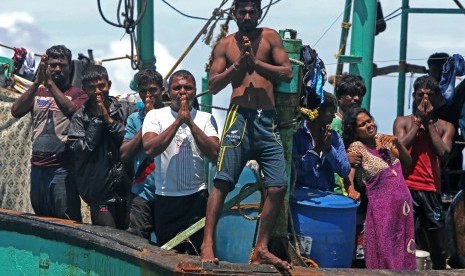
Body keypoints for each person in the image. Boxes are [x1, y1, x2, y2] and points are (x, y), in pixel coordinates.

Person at [201, 0, 293, 269]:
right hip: (238, 119)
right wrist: (239, 65)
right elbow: (214, 85)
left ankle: (261, 247)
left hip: (267, 121)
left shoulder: (270, 37)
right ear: (234, 13)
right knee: (222, 182)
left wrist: (256, 64)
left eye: (253, 11)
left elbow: (287, 73)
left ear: (260, 12)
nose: (248, 16)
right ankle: (208, 242)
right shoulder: (225, 44)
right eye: (242, 11)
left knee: (278, 186)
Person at [142, 69, 219, 254]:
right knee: (168, 255)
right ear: (168, 92)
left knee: (196, 255)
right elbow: (150, 149)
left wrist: (190, 123)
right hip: (166, 199)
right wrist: (178, 122)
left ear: (194, 91)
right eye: (177, 88)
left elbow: (215, 153)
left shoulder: (206, 118)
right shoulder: (155, 116)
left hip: (197, 199)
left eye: (188, 87)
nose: (182, 92)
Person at [10, 45, 87, 221]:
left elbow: (72, 111)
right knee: (41, 221)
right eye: (53, 65)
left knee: (67, 221)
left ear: (70, 67)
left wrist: (50, 83)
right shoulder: (38, 91)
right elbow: (16, 111)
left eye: (62, 65)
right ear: (46, 67)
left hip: (62, 170)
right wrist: (37, 82)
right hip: (37, 168)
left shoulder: (78, 94)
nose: (57, 69)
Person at [393, 75, 455, 269]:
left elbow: (444, 152)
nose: (425, 100)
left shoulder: (445, 126)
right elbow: (399, 146)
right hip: (406, 187)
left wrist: (429, 124)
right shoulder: (403, 122)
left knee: (437, 245)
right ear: (414, 96)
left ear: (436, 97)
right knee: (403, 238)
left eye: (429, 95)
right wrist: (418, 122)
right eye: (420, 95)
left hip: (431, 189)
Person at [343, 107, 416, 269]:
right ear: (355, 131)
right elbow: (350, 171)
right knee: (385, 249)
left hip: (402, 206)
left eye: (369, 121)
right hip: (382, 208)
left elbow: (407, 162)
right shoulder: (357, 146)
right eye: (362, 124)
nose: (369, 125)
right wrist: (351, 189)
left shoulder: (384, 140)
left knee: (403, 247)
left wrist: (397, 142)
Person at [68, 64, 132, 229]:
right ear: (84, 90)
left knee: (131, 239)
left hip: (126, 190)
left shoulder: (124, 110)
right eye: (92, 88)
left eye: (101, 86)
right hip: (99, 195)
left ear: (109, 84)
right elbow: (81, 151)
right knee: (109, 238)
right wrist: (97, 120)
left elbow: (130, 141)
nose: (97, 91)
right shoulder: (80, 117)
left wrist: (109, 121)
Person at [120, 69, 164, 240]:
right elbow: (124, 154)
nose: (148, 95)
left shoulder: (172, 116)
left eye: (153, 90)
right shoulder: (134, 119)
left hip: (167, 193)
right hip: (142, 192)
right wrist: (146, 123)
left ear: (162, 90)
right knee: (137, 241)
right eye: (143, 91)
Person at [293, 92, 350, 192]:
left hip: (326, 200)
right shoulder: (296, 135)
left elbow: (345, 170)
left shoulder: (334, 137)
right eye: (331, 112)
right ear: (318, 111)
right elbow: (295, 170)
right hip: (301, 200)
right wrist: (317, 150)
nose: (333, 116)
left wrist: (329, 149)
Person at [331, 73, 366, 196]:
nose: (356, 98)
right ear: (339, 98)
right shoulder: (334, 123)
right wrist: (345, 158)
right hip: (334, 191)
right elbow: (322, 154)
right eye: (351, 94)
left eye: (359, 95)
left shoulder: (356, 127)